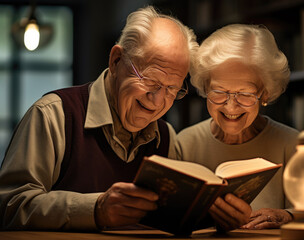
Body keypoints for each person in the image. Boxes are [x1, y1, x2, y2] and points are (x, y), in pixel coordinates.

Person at [0, 6, 198, 230]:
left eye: (172, 89)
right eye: (151, 81)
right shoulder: (53, 116)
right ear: (116, 61)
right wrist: (95, 210)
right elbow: (9, 207)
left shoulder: (167, 138)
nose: (157, 101)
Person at [175, 24, 304, 230]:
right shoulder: (184, 143)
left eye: (245, 94)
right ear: (204, 88)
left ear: (264, 94)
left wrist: (288, 217)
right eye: (219, 92)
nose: (230, 106)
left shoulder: (292, 145)